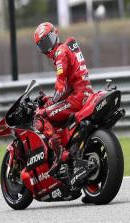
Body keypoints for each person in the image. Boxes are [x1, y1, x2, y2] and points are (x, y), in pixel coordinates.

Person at [34, 22, 94, 176]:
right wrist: (49, 99)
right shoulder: (67, 50)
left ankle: (59, 153)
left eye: (49, 40)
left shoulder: (61, 53)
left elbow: (60, 88)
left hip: (77, 98)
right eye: (43, 45)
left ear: (56, 34)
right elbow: (68, 86)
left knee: (42, 115)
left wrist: (50, 103)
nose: (48, 47)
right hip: (84, 94)